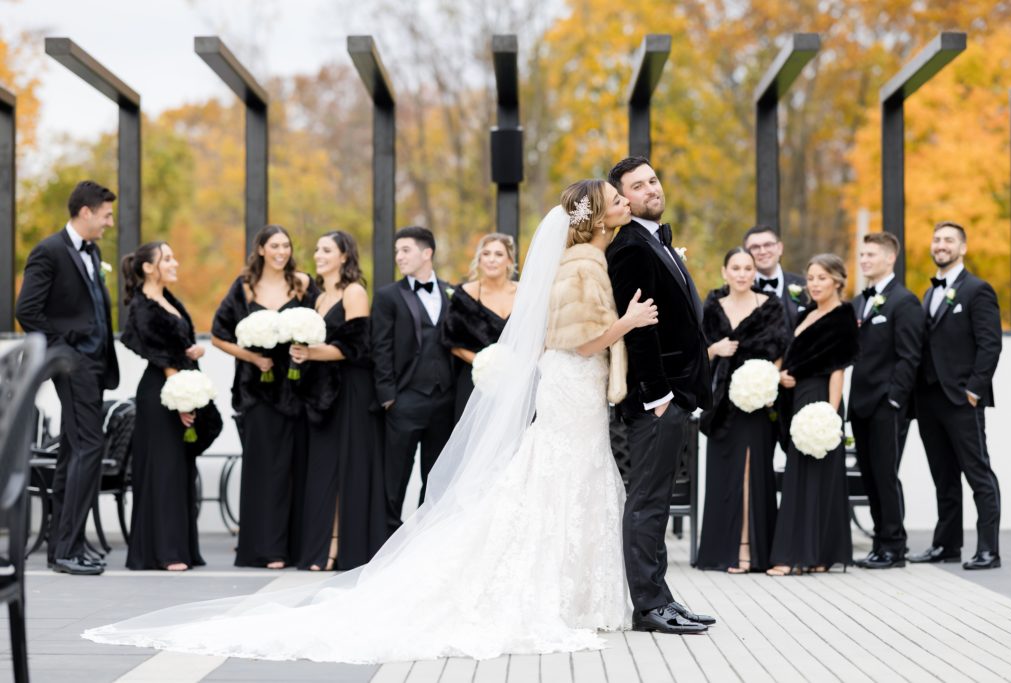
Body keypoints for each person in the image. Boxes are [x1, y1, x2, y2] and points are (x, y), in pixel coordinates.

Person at [83, 179, 663, 662]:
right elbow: (578, 340)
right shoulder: (584, 266)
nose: (624, 202)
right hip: (570, 387)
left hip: (574, 393)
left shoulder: (580, 258)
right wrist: (629, 323)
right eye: (616, 197)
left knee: (560, 481)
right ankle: (564, 594)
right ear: (593, 218)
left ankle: (572, 592)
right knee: (562, 478)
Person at [606, 156, 715, 634]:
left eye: (652, 180)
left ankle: (663, 596)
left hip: (676, 396)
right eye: (637, 185)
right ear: (622, 200)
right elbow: (639, 330)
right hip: (656, 400)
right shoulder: (630, 247)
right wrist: (658, 396)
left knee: (658, 500)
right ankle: (648, 605)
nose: (650, 188)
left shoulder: (656, 243)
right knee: (647, 501)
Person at [16, 180, 120, 576]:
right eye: (106, 215)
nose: (110, 222)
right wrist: (66, 352)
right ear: (86, 212)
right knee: (89, 448)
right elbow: (27, 311)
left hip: (93, 364)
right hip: (73, 364)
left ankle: (66, 544)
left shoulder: (91, 252)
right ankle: (66, 550)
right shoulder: (49, 250)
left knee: (73, 451)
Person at [211, 225, 318, 569]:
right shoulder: (243, 287)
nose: (281, 251)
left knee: (296, 467)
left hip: (297, 388)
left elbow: (321, 324)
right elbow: (218, 336)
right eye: (274, 245)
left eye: (286, 245)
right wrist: (253, 358)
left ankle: (297, 547)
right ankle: (265, 548)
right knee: (263, 469)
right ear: (260, 249)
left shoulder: (302, 283)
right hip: (256, 389)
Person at [909, 221, 1003, 570]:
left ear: (962, 248)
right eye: (937, 239)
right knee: (943, 475)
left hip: (963, 399)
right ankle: (946, 545)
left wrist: (975, 390)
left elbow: (990, 344)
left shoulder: (978, 290)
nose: (941, 245)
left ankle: (989, 550)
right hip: (930, 399)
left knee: (978, 473)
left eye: (949, 240)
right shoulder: (928, 292)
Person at [291, 231, 387, 571]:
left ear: (344, 256)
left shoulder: (354, 292)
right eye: (317, 249)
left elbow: (357, 348)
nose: (318, 254)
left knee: (347, 467)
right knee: (324, 469)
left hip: (352, 391)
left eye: (326, 249)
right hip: (324, 394)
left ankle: (340, 546)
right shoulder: (318, 298)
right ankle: (320, 545)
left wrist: (311, 352)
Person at [695, 247, 788, 574]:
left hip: (756, 403)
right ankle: (723, 550)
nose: (742, 274)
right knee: (724, 474)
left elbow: (780, 351)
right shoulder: (712, 306)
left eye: (748, 268)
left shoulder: (771, 307)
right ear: (725, 272)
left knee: (752, 472)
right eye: (735, 267)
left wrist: (767, 384)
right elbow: (696, 357)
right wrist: (714, 349)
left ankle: (750, 549)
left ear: (754, 273)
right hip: (721, 405)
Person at [768, 254, 858, 575]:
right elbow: (791, 356)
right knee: (801, 474)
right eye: (810, 277)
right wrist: (781, 376)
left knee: (817, 477)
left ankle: (797, 557)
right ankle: (818, 554)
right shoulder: (805, 313)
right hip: (799, 397)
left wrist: (830, 415)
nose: (814, 283)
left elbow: (838, 369)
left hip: (821, 400)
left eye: (822, 277)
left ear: (837, 280)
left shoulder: (843, 315)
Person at [120, 242, 206, 571]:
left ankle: (180, 547)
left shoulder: (167, 299)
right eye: (167, 258)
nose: (175, 262)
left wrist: (193, 352)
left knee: (179, 468)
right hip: (162, 393)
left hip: (176, 387)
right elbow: (160, 356)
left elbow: (176, 348)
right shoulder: (142, 305)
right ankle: (165, 551)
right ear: (147, 267)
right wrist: (182, 397)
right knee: (164, 469)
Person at [371, 226, 455, 534]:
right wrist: (388, 397)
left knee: (436, 476)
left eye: (405, 250)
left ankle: (425, 536)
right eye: (397, 252)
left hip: (443, 400)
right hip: (404, 400)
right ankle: (385, 539)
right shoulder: (387, 297)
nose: (399, 257)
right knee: (395, 477)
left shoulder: (451, 293)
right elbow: (379, 348)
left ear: (427, 253)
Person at [849, 233, 924, 570]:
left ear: (890, 258)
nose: (864, 260)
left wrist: (895, 400)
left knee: (885, 474)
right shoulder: (859, 301)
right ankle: (881, 543)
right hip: (860, 405)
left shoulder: (903, 301)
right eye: (862, 254)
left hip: (886, 405)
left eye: (871, 254)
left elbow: (910, 357)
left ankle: (894, 546)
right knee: (870, 475)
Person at [441, 233, 517, 421]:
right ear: (479, 260)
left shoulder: (525, 293)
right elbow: (452, 342)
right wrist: (485, 364)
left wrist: (513, 368)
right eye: (486, 254)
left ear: (509, 260)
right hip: (476, 380)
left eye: (499, 254)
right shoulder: (464, 295)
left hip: (517, 381)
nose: (492, 259)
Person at [743, 224, 808, 332]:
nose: (762, 251)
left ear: (780, 248)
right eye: (755, 247)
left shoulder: (805, 286)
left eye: (768, 245)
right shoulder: (740, 290)